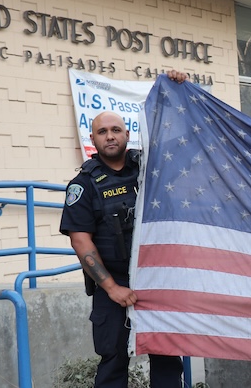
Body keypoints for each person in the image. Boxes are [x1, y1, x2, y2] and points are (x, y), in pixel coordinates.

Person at [60, 70, 188, 387]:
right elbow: (81, 241)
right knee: (114, 363)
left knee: (168, 361)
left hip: (156, 278)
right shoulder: (83, 185)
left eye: (116, 129)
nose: (110, 135)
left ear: (127, 134)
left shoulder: (149, 168)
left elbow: (182, 143)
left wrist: (178, 89)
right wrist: (112, 288)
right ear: (93, 140)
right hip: (113, 285)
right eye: (102, 131)